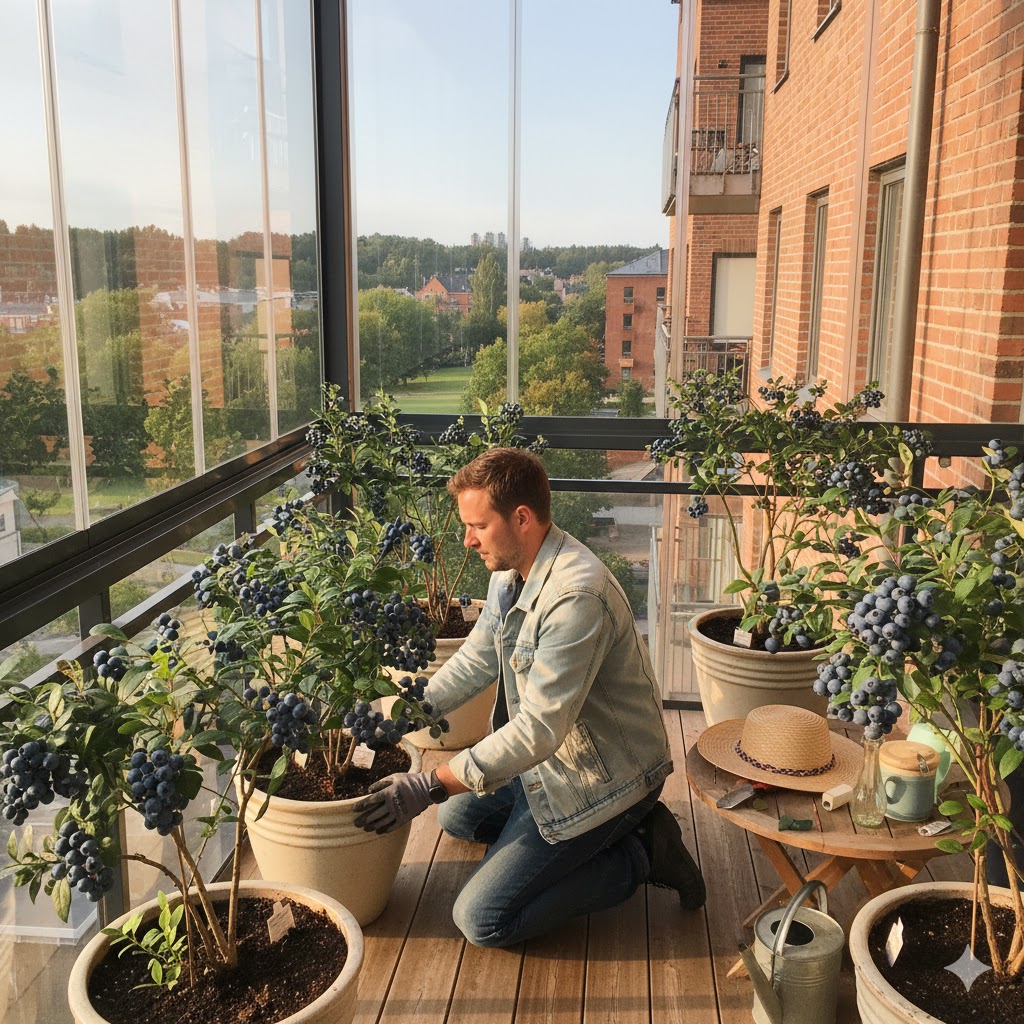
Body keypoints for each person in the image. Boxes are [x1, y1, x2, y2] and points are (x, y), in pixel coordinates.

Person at [354, 447, 705, 947]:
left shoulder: (575, 596)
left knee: (481, 919)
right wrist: (405, 712)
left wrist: (428, 784)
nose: (467, 539)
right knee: (456, 816)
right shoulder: (511, 573)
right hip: (551, 764)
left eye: (478, 526)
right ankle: (579, 841)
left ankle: (643, 852)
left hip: (603, 778)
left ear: (521, 518)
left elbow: (538, 730)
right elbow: (478, 659)